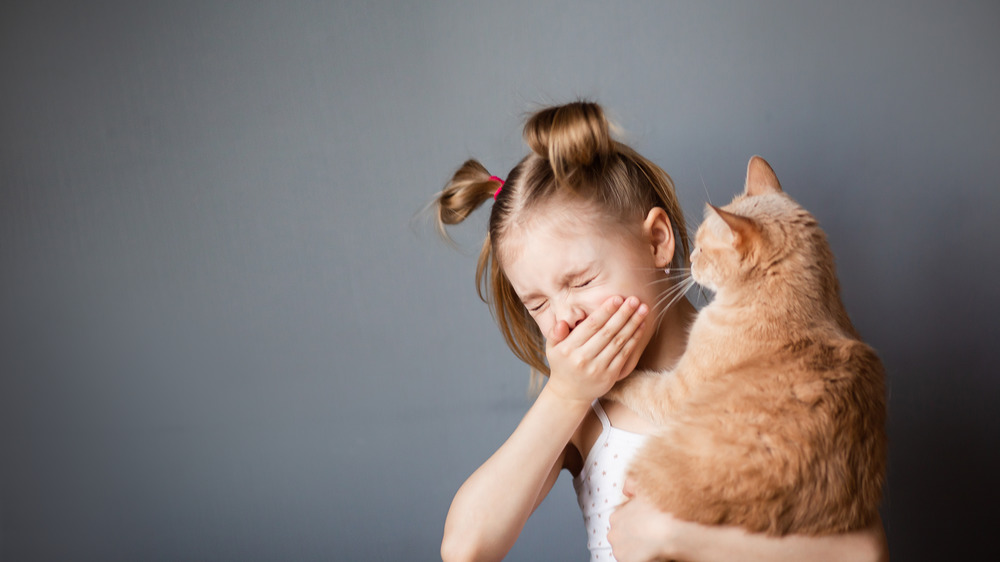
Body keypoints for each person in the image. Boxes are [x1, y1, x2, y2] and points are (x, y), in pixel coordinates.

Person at [434, 101, 888, 562]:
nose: (562, 319)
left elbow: (863, 552)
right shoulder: (584, 415)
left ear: (657, 241)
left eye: (582, 281)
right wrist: (565, 395)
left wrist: (676, 538)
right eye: (537, 304)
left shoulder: (778, 375)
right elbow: (464, 549)